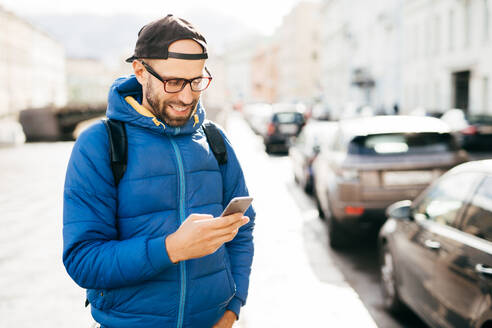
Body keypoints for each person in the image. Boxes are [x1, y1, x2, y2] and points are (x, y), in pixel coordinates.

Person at [62, 14, 255, 328]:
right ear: (140, 71)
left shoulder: (215, 141)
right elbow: (83, 260)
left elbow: (242, 230)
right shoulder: (100, 144)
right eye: (173, 82)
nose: (186, 96)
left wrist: (233, 308)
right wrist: (172, 248)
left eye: (196, 82)